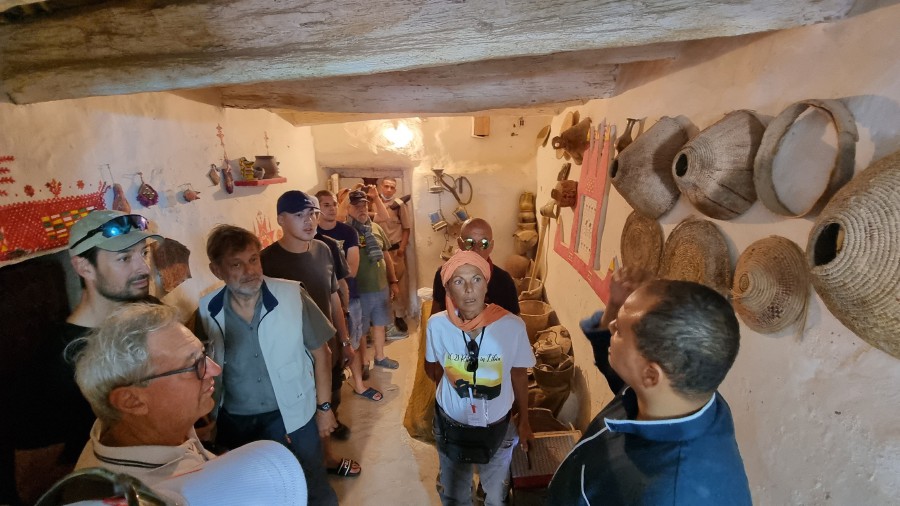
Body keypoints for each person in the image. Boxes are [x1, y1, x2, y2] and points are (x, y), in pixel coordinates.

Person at [545, 268, 752, 505]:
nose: (611, 325)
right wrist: (615, 305)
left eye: (620, 330)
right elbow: (615, 366)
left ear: (651, 375)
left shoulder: (671, 494)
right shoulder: (681, 390)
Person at [195, 224, 339, 506]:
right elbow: (201, 369)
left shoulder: (291, 296)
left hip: (292, 416)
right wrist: (208, 418)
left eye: (253, 259)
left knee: (311, 483)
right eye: (236, 264)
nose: (250, 271)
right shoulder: (206, 309)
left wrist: (324, 409)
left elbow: (322, 354)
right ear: (217, 270)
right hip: (234, 420)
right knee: (253, 491)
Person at [262, 190, 379, 478]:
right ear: (280, 219)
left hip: (328, 347)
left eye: (312, 214)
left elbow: (334, 297)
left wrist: (345, 341)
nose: (309, 221)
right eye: (299, 215)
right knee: (297, 414)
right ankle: (298, 470)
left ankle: (326, 457)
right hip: (292, 352)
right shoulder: (267, 261)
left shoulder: (324, 249)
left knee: (329, 401)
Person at [51, 210, 163, 463]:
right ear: (83, 267)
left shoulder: (151, 311)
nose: (143, 268)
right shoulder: (61, 358)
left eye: (143, 253)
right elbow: (38, 474)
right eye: (124, 258)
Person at [426, 251, 535, 506]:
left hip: (498, 427)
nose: (468, 290)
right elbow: (435, 370)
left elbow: (519, 374)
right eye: (458, 281)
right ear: (448, 292)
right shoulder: (437, 325)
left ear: (487, 286)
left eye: (476, 279)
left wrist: (525, 421)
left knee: (496, 496)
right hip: (451, 427)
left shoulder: (512, 326)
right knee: (455, 495)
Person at [70, 303, 220, 484]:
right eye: (193, 365)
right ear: (132, 401)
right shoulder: (141, 495)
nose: (215, 369)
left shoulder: (163, 425)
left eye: (203, 354)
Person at [345, 189, 402, 370]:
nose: (362, 209)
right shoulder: (346, 232)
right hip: (359, 290)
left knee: (380, 323)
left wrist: (393, 282)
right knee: (360, 330)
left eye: (364, 205)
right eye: (357, 206)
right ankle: (363, 362)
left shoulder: (376, 228)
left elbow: (386, 256)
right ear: (348, 208)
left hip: (381, 287)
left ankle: (380, 356)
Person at [430, 218, 519, 317]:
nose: (476, 249)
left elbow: (513, 324)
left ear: (491, 246)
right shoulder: (444, 275)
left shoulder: (503, 280)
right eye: (469, 243)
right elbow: (436, 318)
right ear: (460, 244)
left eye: (484, 243)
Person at [373, 176, 412, 337]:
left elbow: (406, 228)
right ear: (381, 187)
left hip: (395, 252)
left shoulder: (399, 205)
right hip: (377, 252)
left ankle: (399, 316)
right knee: (381, 285)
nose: (389, 189)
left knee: (399, 286)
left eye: (392, 187)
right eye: (386, 186)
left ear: (395, 190)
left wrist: (402, 248)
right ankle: (383, 319)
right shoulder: (373, 203)